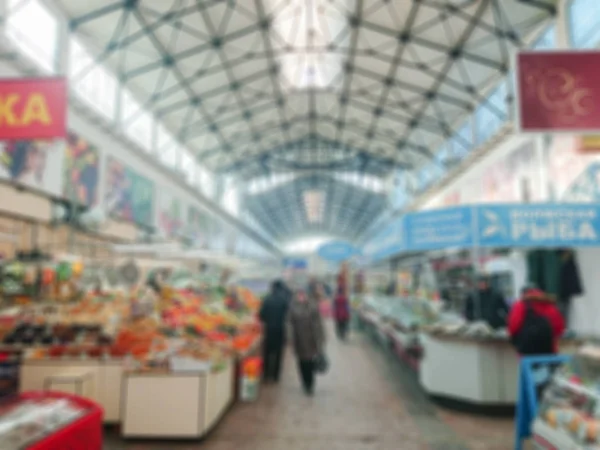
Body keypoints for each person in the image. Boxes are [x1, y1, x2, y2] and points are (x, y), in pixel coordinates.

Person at [288, 289, 326, 396]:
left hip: (311, 340)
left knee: (310, 363)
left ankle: (310, 384)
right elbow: (289, 323)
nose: (301, 297)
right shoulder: (292, 307)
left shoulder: (312, 306)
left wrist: (321, 338)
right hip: (299, 340)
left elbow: (319, 323)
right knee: (301, 363)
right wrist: (290, 337)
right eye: (299, 295)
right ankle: (304, 382)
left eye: (303, 295)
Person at [508, 287, 565, 355]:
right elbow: (559, 329)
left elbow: (513, 326)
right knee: (549, 364)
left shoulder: (520, 305)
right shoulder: (550, 307)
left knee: (528, 364)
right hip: (548, 349)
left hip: (526, 349)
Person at [259, 280, 290, 383]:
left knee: (267, 353)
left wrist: (267, 320)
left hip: (269, 330)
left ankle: (267, 375)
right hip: (280, 330)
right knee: (278, 354)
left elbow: (261, 315)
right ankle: (276, 376)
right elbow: (288, 315)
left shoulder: (267, 299)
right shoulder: (284, 300)